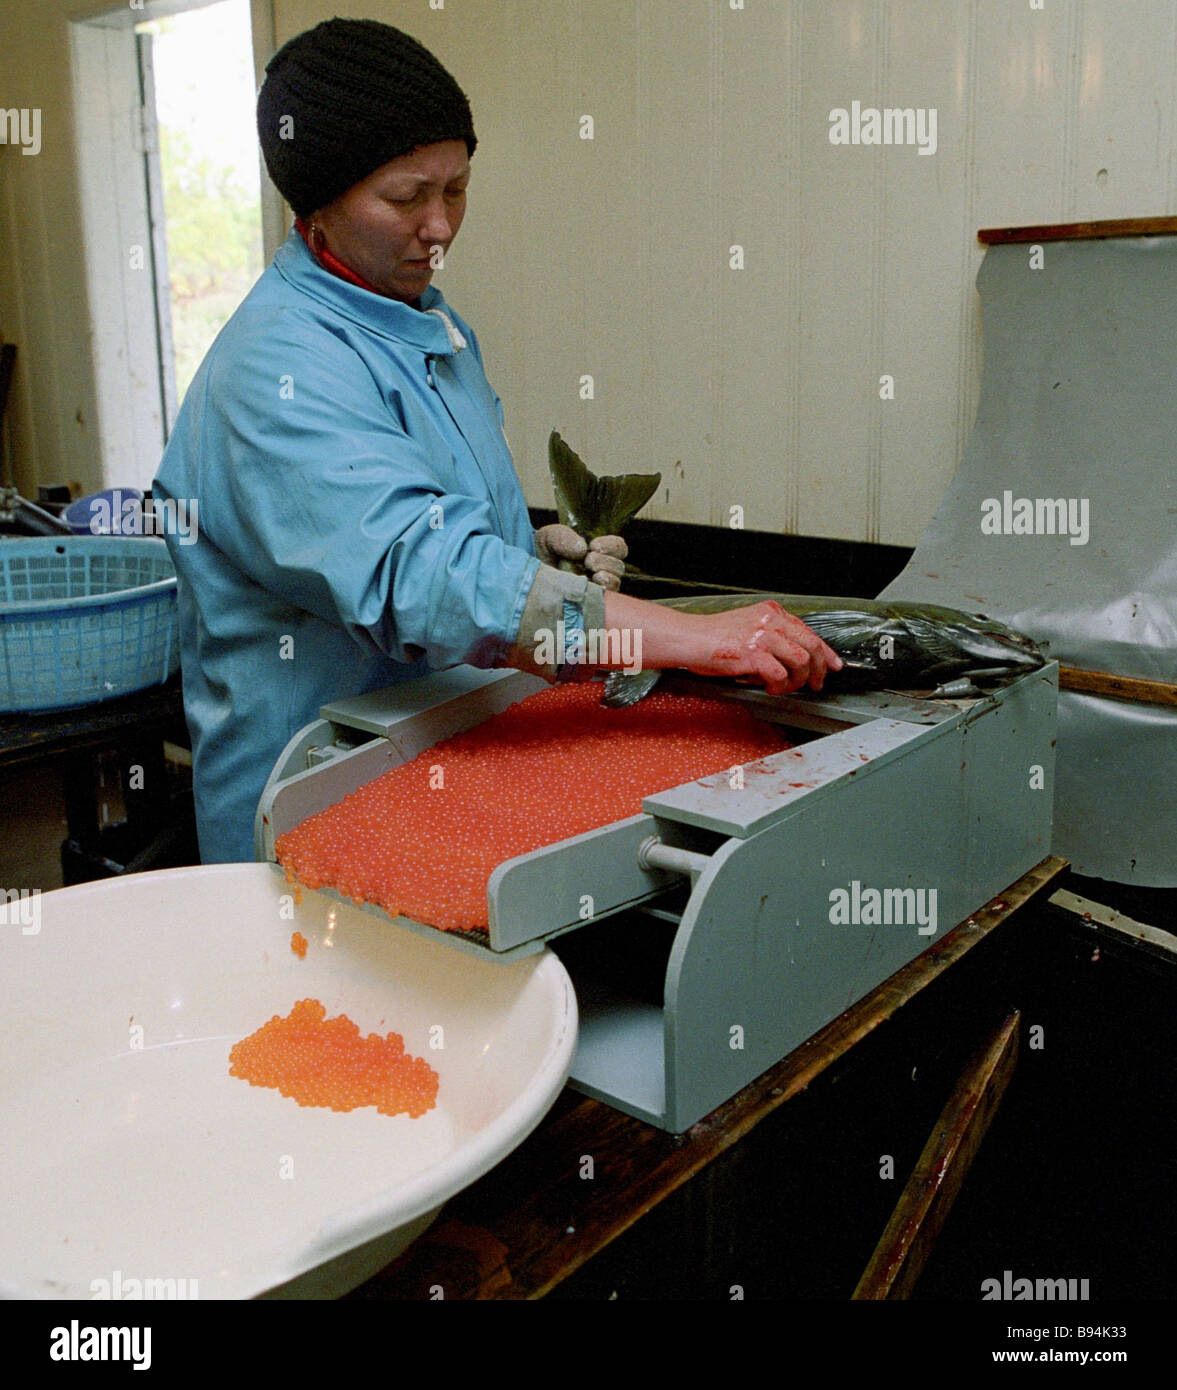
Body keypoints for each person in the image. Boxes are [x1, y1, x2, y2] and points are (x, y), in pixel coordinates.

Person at [153, 18, 839, 865]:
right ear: (317, 204)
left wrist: (526, 549)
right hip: (317, 801)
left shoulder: (431, 326)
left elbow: (442, 525)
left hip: (445, 767)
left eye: (458, 189)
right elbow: (422, 577)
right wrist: (694, 635)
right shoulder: (273, 367)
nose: (439, 227)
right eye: (406, 198)